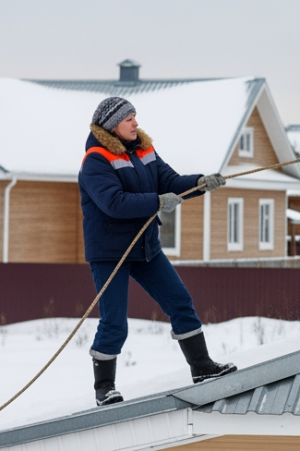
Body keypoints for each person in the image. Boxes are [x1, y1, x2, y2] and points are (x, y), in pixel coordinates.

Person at [79, 96, 237, 406]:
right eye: (129, 119)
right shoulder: (96, 160)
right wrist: (157, 202)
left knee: (180, 301)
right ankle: (104, 388)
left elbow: (171, 182)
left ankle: (202, 367)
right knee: (114, 321)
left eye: (135, 116)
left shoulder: (145, 150)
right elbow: (113, 203)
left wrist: (200, 183)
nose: (136, 122)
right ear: (113, 126)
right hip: (111, 253)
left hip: (145, 246)